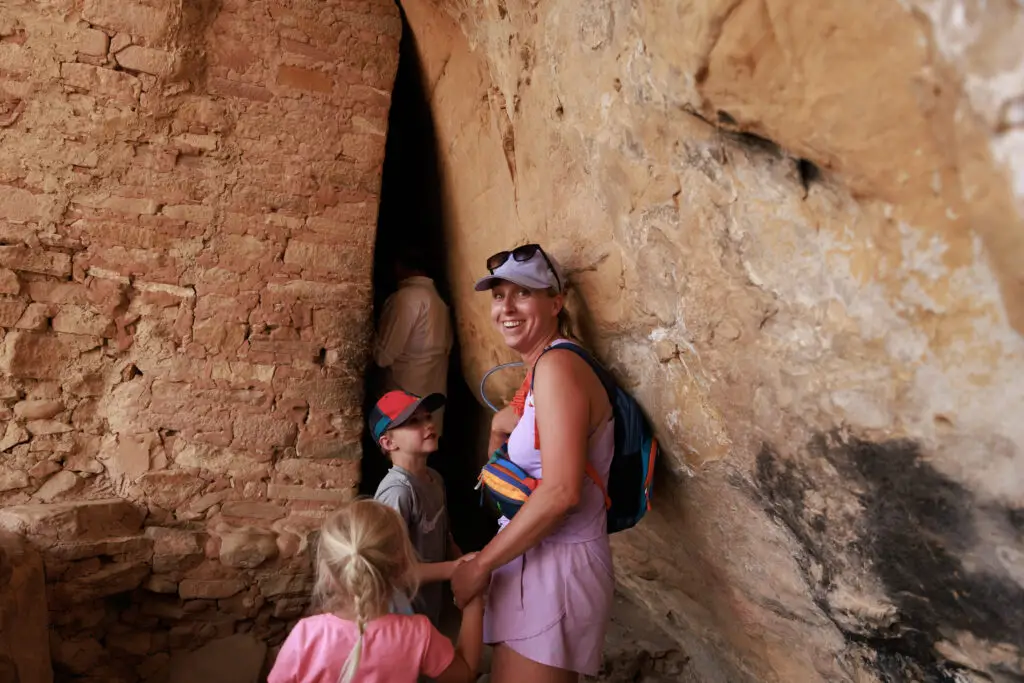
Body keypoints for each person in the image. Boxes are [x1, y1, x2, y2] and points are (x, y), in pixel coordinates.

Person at [451, 244, 615, 683]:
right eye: (498, 294)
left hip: (556, 570)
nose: (506, 306)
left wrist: (482, 565)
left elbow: (562, 491)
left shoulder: (559, 367)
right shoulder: (544, 368)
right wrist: (499, 432)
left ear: (556, 302)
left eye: (522, 293)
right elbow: (515, 429)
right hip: (531, 559)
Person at [267, 499, 483, 683]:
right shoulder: (418, 635)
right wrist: (474, 599)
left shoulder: (307, 636)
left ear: (328, 574)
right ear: (401, 567)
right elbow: (464, 672)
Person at [370, 389, 464, 627]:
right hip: (398, 621)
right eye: (413, 422)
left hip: (427, 613)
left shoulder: (434, 479)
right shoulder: (397, 492)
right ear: (388, 442)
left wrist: (461, 561)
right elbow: (391, 572)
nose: (428, 425)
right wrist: (453, 569)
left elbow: (444, 535)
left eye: (427, 417)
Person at [373, 247, 453, 435]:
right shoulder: (440, 304)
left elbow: (382, 357)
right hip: (430, 413)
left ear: (399, 266)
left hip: (403, 411)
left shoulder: (406, 299)